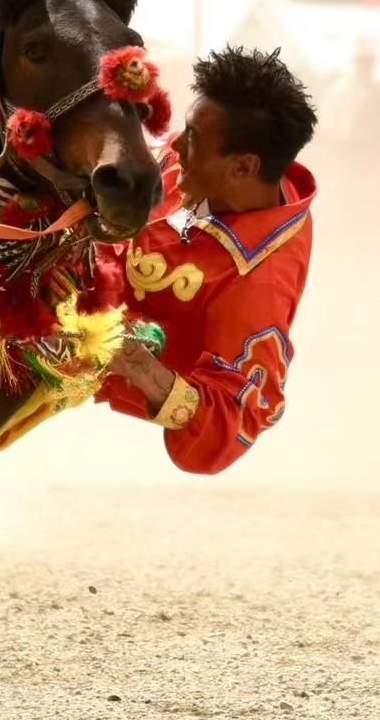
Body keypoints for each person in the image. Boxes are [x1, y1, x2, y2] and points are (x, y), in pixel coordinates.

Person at [96, 44, 317, 474]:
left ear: (243, 167)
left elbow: (222, 433)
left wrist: (142, 369)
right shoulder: (196, 168)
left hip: (58, 352)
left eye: (192, 137)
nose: (173, 144)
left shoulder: (259, 282)